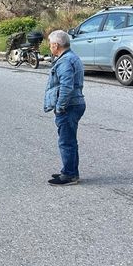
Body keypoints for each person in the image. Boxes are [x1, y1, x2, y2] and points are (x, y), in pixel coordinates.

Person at [44, 29, 86, 185]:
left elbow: (66, 87)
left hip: (69, 105)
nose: (50, 47)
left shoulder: (65, 61)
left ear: (56, 45)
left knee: (66, 142)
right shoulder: (71, 57)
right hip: (75, 103)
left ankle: (69, 175)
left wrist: (60, 107)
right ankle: (71, 171)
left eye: (50, 44)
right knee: (70, 140)